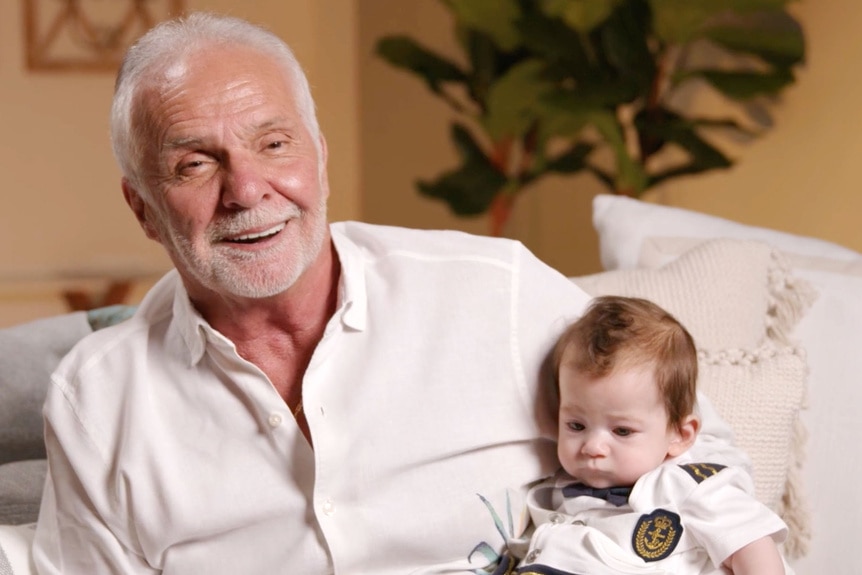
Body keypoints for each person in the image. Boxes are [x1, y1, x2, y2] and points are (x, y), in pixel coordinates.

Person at [33, 12, 747, 574]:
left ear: (320, 156)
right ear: (143, 208)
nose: (247, 189)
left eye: (274, 144)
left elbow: (697, 449)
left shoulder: (494, 292)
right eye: (195, 163)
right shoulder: (97, 402)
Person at [515, 296, 789, 575]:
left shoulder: (686, 484)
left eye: (622, 431)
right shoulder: (559, 488)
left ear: (680, 436)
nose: (593, 447)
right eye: (576, 425)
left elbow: (752, 543)